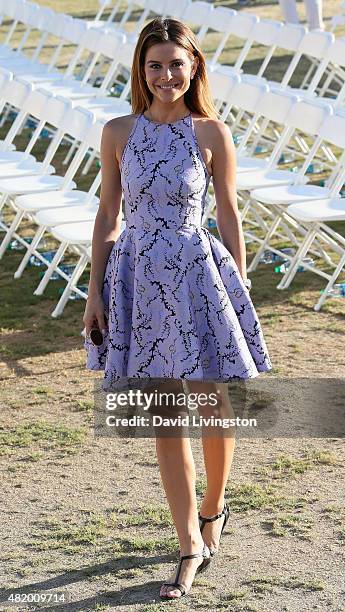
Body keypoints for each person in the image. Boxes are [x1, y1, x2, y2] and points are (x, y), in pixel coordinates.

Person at [83, 17, 272, 600]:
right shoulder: (118, 132)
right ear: (141, 71)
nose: (166, 75)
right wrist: (94, 291)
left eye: (176, 64)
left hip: (197, 273)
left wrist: (236, 282)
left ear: (194, 68)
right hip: (137, 275)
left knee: (211, 402)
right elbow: (108, 216)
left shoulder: (211, 133)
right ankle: (189, 540)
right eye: (154, 65)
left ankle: (213, 507)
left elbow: (229, 211)